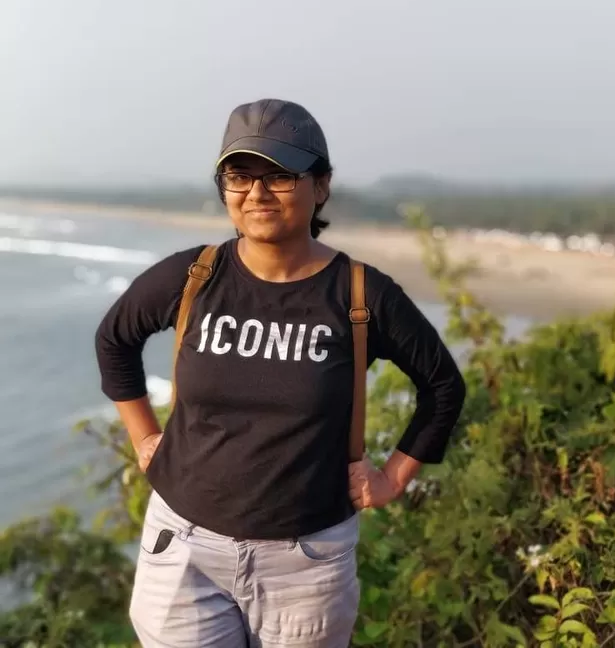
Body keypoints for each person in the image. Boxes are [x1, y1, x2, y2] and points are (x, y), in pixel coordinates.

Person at [94, 98, 466, 647]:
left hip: (307, 564)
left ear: (322, 186)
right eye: (239, 176)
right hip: (184, 550)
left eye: (281, 176)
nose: (257, 193)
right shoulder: (193, 277)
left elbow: (442, 386)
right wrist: (145, 435)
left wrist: (392, 478)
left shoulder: (361, 294)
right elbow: (115, 340)